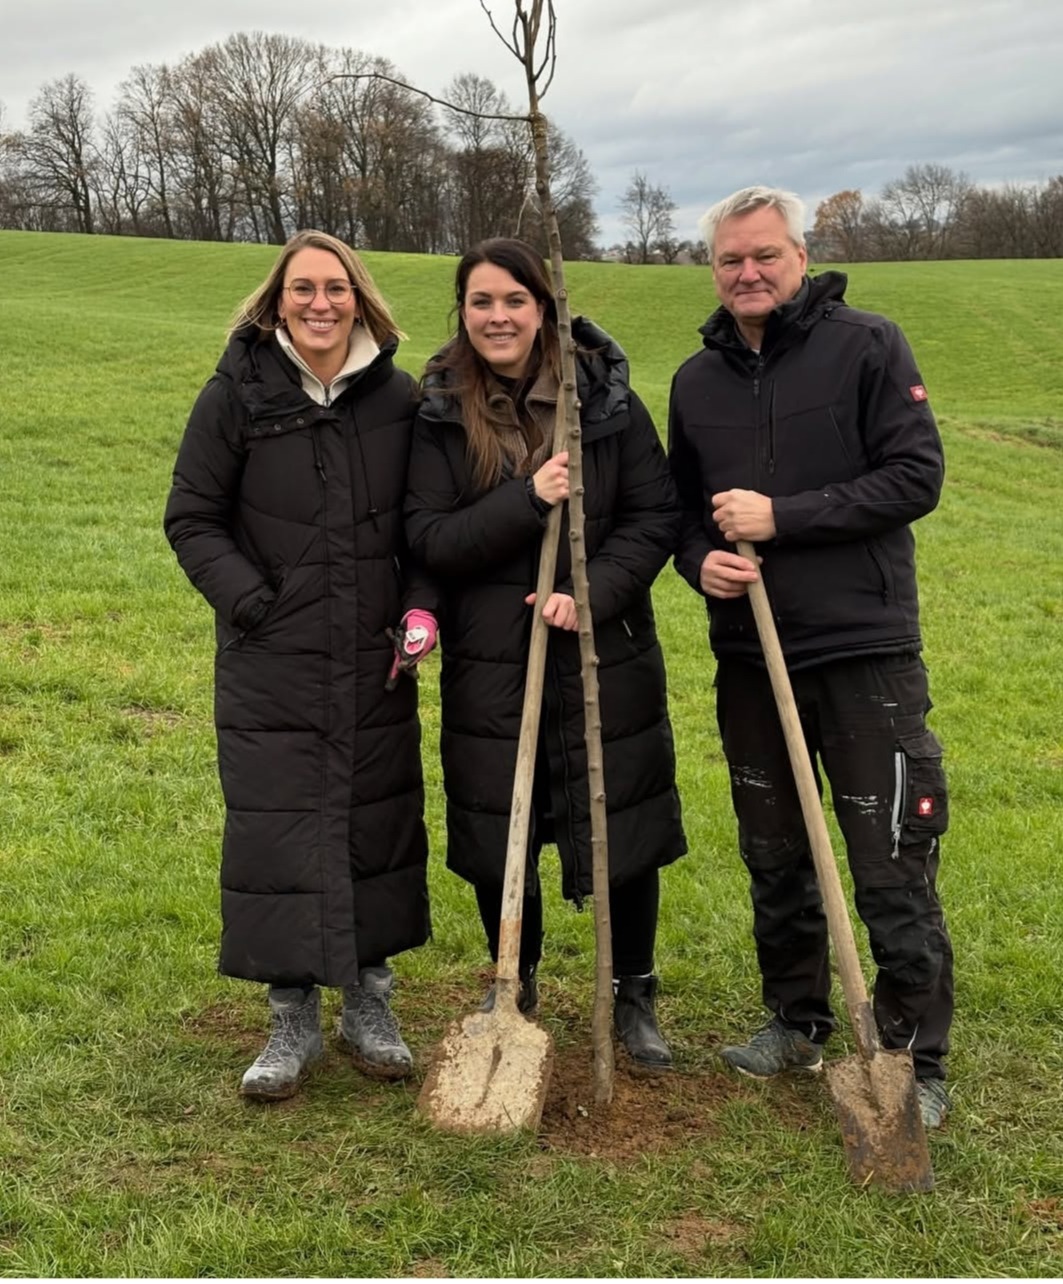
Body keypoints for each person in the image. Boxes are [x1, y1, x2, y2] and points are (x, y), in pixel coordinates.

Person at [667, 187, 954, 1128]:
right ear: (712, 270)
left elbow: (915, 476)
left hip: (861, 646)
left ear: (799, 256)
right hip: (751, 652)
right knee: (774, 852)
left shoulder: (867, 345)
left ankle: (917, 1052)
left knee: (887, 854)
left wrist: (782, 518)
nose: (747, 274)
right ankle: (795, 1019)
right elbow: (676, 510)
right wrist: (694, 559)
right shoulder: (695, 382)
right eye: (729, 261)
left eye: (764, 256)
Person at [164, 230, 438, 1100]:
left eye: (335, 288)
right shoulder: (236, 395)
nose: (319, 304)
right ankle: (290, 1020)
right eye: (302, 289)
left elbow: (423, 525)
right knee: (276, 828)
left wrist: (418, 606)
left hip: (371, 655)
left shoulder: (398, 398)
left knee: (374, 820)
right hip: (269, 660)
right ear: (276, 299)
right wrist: (254, 603)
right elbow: (191, 517)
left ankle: (369, 1004)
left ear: (360, 297)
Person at [405, 238, 687, 1069]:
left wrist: (593, 592)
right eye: (481, 301)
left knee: (621, 820)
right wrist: (526, 499)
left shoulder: (602, 399)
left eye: (514, 301)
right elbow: (428, 538)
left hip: (604, 648)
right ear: (461, 310)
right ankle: (511, 984)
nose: (497, 317)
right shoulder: (437, 409)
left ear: (544, 308)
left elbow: (654, 516)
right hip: (492, 652)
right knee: (501, 825)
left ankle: (631, 991)